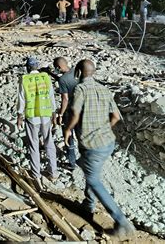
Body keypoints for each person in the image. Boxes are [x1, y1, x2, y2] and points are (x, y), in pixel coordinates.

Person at [65, 60, 135, 239]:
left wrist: (67, 129)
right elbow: (116, 117)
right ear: (93, 72)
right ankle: (88, 206)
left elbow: (74, 112)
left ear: (78, 73)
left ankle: (121, 222)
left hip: (92, 145)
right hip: (107, 142)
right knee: (90, 171)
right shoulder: (104, 89)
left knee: (94, 179)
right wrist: (104, 129)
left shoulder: (80, 89)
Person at [17, 57, 58, 190]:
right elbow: (51, 96)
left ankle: (36, 174)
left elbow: (21, 98)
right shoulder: (45, 78)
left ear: (28, 67)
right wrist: (54, 113)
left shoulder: (24, 79)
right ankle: (54, 173)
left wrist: (19, 115)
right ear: (38, 67)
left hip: (32, 117)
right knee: (49, 143)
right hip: (45, 115)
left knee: (34, 145)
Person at [53, 57, 78, 170]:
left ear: (58, 67)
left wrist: (61, 114)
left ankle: (72, 162)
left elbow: (65, 99)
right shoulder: (78, 72)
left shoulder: (62, 80)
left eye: (56, 68)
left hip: (71, 111)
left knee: (69, 135)